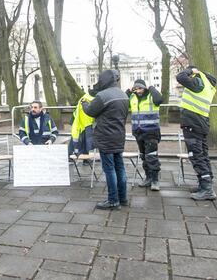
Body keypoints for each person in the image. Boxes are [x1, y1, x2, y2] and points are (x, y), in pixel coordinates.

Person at [82, 69, 130, 210]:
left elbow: (91, 111)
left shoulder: (103, 95)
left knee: (109, 169)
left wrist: (84, 103)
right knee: (119, 167)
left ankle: (113, 200)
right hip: (119, 135)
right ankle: (123, 198)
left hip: (105, 136)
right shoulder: (123, 95)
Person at [176, 65, 217, 201]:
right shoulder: (209, 85)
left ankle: (207, 189)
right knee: (203, 154)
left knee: (196, 155)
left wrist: (191, 71)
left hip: (193, 123)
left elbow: (181, 76)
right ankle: (205, 183)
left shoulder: (198, 81)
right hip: (201, 122)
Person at [128, 79, 163, 191]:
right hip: (138, 132)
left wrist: (151, 87)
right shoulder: (132, 98)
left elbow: (159, 99)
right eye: (136, 89)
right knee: (144, 156)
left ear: (145, 88)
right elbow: (122, 102)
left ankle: (155, 180)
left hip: (151, 131)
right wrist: (128, 91)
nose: (138, 91)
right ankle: (148, 178)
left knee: (151, 156)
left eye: (140, 88)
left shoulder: (151, 96)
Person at [69, 92, 95, 157]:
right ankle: (81, 156)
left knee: (77, 138)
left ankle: (72, 155)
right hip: (85, 122)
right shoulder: (92, 99)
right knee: (84, 140)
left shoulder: (85, 98)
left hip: (79, 121)